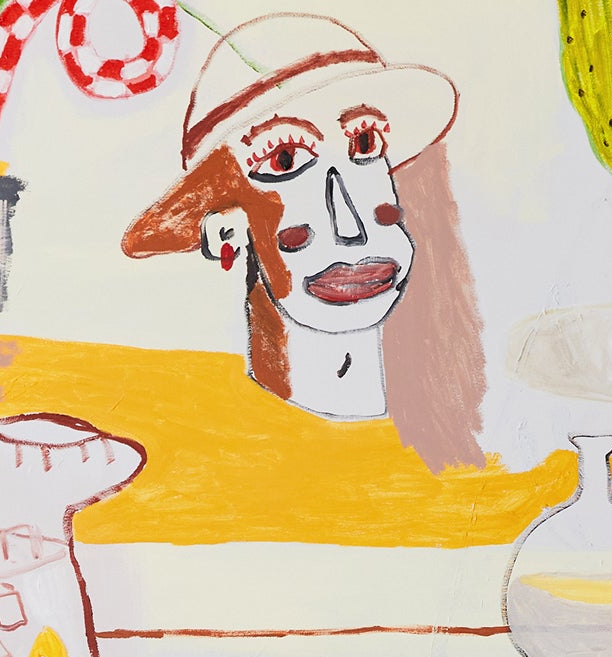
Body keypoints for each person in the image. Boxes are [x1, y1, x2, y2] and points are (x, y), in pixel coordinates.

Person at [122, 14, 458, 422]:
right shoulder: (199, 422)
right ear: (227, 228)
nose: (351, 228)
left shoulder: (444, 426)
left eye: (365, 141)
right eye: (284, 159)